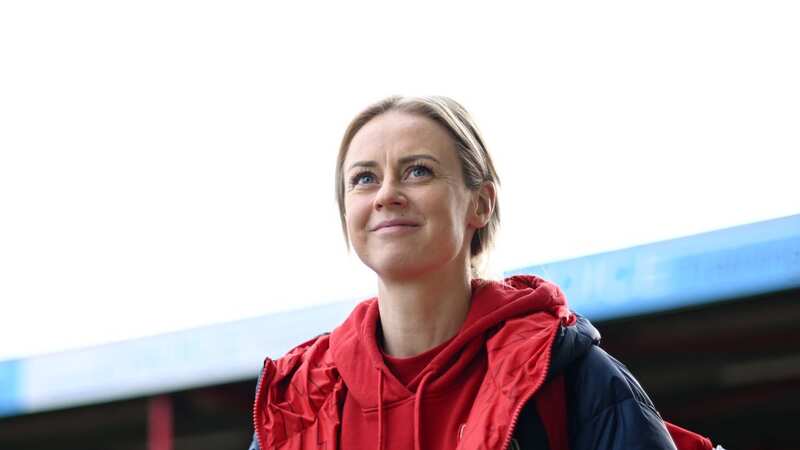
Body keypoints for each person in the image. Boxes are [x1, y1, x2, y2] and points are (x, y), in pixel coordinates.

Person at [248, 96, 700, 450]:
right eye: (364, 178)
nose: (386, 194)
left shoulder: (571, 376)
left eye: (418, 171)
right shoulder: (298, 399)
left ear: (480, 204)